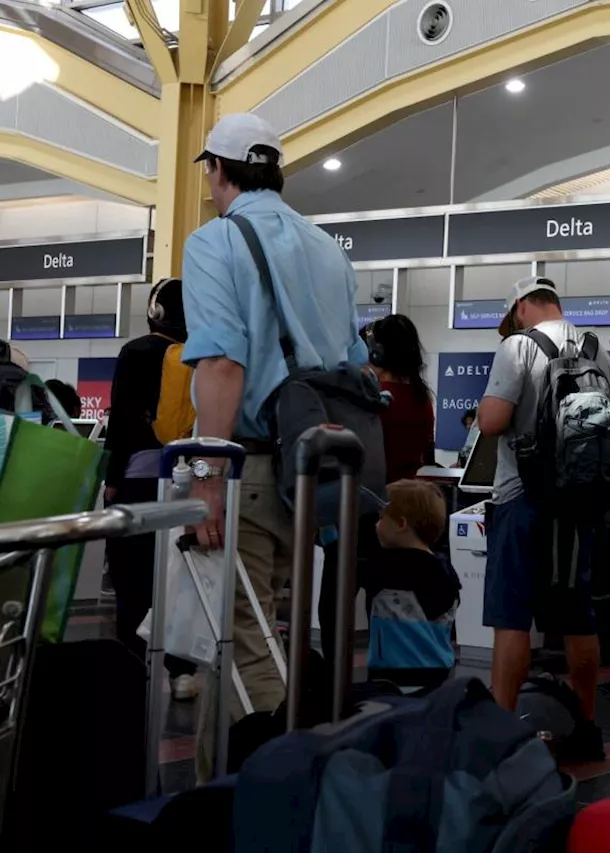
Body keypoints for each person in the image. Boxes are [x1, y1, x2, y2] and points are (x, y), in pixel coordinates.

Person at [181, 112, 367, 781]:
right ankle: (214, 791)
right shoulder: (327, 249)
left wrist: (206, 475)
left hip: (252, 468)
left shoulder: (215, 242)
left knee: (244, 645)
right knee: (248, 639)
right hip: (311, 472)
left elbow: (223, 364)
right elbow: (353, 363)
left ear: (216, 172)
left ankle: (280, 792)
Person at [477, 276, 610, 760]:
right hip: (579, 503)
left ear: (521, 307)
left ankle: (502, 736)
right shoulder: (596, 349)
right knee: (577, 615)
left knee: (512, 617)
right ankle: (586, 728)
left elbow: (492, 421)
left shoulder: (517, 347)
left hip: (521, 497)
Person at [102, 278, 198, 700]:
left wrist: (112, 479)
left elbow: (121, 421)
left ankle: (130, 664)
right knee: (182, 579)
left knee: (131, 577)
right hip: (190, 480)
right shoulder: (203, 353)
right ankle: (182, 672)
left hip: (138, 481)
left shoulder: (136, 352)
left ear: (156, 311)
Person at [364, 479, 460, 695]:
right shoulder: (444, 569)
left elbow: (346, 566)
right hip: (438, 675)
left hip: (393, 679)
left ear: (401, 524)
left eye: (381, 518)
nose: (376, 524)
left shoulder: (387, 567)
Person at [363, 314, 436, 480]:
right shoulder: (422, 397)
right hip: (407, 492)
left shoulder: (371, 397)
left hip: (372, 495)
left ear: (375, 354)